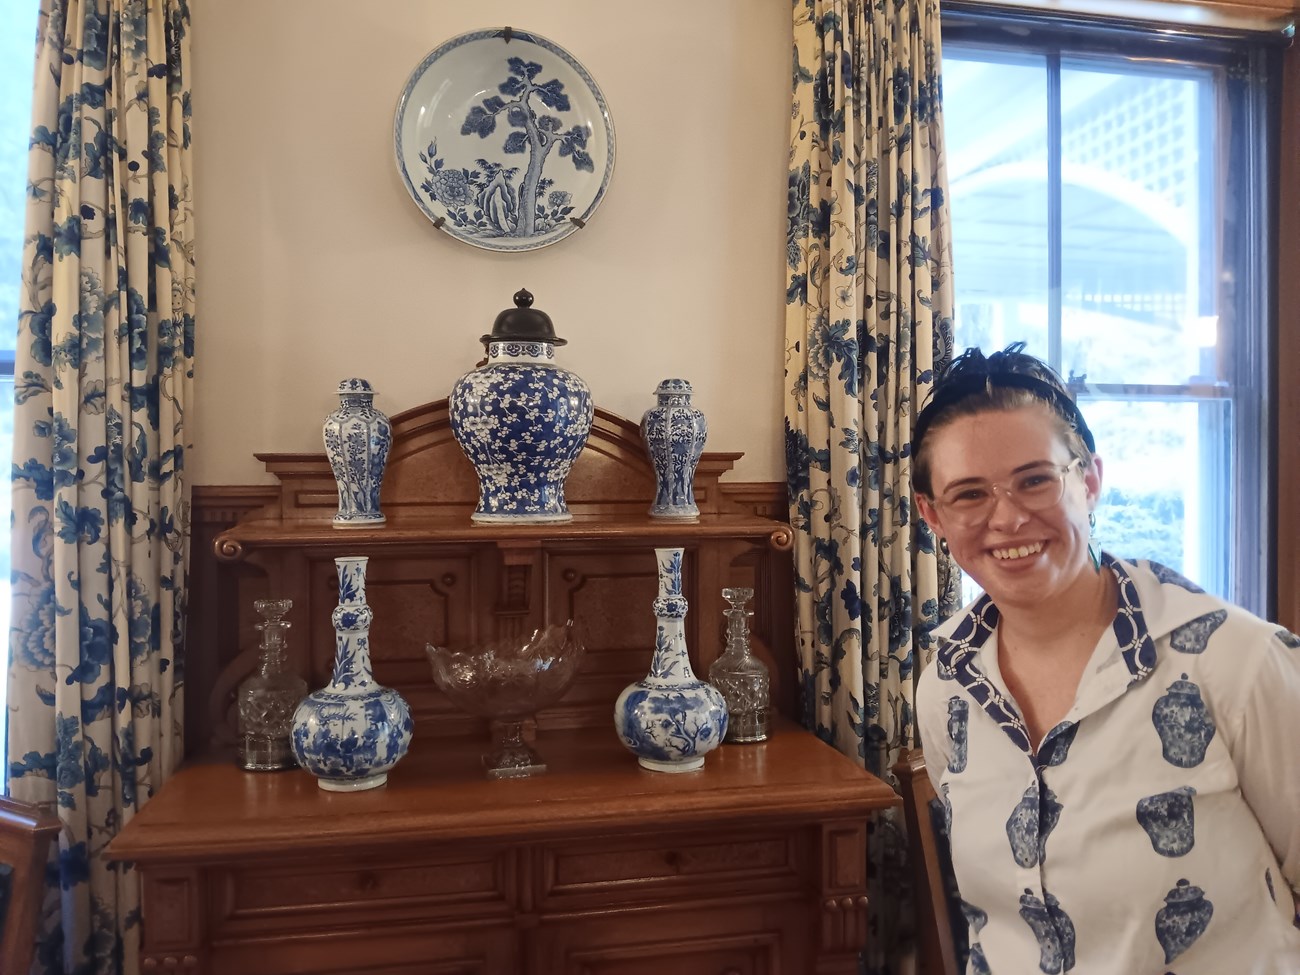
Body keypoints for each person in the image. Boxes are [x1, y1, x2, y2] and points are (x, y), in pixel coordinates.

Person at [912, 343, 1300, 974]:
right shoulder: (945, 687)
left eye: (1035, 480)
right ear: (934, 516)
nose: (1007, 518)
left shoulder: (1235, 660)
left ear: (1089, 481)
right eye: (969, 494)